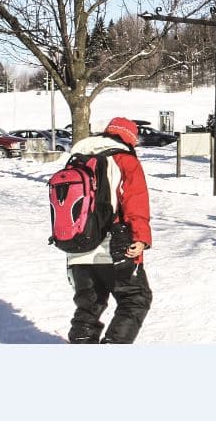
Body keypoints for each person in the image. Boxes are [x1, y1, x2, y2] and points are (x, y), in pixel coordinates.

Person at [66, 117, 152, 344]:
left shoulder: (78, 159)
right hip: (115, 242)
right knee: (136, 299)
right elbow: (136, 201)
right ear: (130, 139)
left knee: (89, 305)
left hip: (77, 243)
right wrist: (141, 237)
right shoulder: (125, 159)